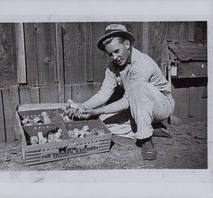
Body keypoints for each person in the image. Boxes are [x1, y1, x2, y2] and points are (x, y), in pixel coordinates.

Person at [67, 24, 175, 160]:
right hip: (139, 105)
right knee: (102, 122)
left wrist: (96, 111)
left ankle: (146, 140)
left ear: (127, 44)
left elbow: (127, 101)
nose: (114, 57)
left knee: (138, 88)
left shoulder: (142, 62)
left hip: (162, 105)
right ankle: (149, 128)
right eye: (110, 54)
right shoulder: (113, 67)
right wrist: (83, 107)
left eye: (117, 51)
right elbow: (103, 94)